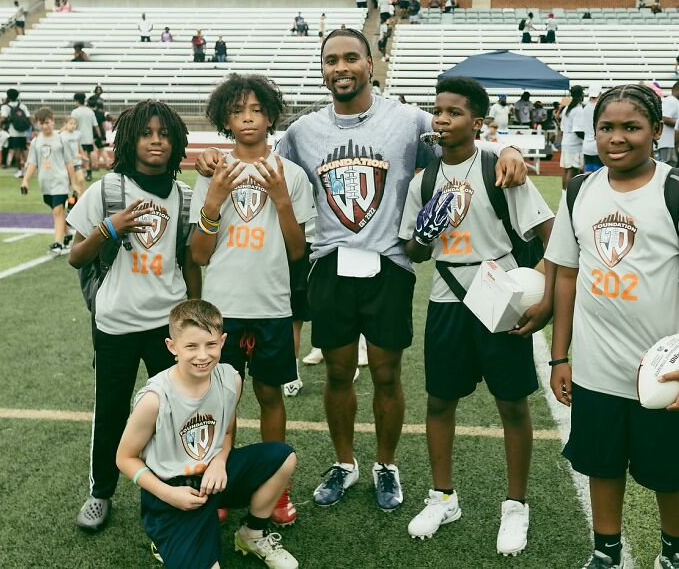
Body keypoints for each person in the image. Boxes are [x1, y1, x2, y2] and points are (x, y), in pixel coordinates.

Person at [193, 28, 528, 512]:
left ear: (371, 63)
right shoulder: (303, 132)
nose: (341, 68)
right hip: (328, 266)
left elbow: (462, 148)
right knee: (337, 373)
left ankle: (385, 464)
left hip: (389, 264)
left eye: (351, 58)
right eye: (331, 60)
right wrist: (210, 159)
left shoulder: (409, 119)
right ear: (323, 68)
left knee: (388, 375)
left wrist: (510, 148)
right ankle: (344, 462)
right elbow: (259, 162)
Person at [546, 83, 679, 569]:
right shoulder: (580, 189)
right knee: (601, 464)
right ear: (593, 132)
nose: (616, 138)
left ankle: (675, 553)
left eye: (631, 127)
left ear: (656, 130)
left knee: (671, 472)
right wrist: (560, 355)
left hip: (664, 368)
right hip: (596, 368)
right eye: (607, 127)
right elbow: (565, 274)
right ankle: (606, 551)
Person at [400, 76, 555, 557]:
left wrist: (544, 296)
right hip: (447, 295)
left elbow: (550, 233)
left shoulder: (499, 168)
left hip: (499, 292)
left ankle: (516, 505)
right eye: (437, 111)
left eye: (455, 112)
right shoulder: (423, 179)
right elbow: (414, 250)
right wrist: (426, 231)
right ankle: (443, 497)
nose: (442, 119)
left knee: (512, 403)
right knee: (440, 400)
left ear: (478, 121)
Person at [68, 100, 201, 532]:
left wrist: (194, 320)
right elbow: (75, 257)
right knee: (111, 411)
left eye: (164, 134)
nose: (156, 141)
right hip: (116, 323)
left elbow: (189, 261)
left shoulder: (183, 196)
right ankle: (100, 492)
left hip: (168, 327)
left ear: (176, 141)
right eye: (146, 133)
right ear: (130, 140)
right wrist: (111, 227)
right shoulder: (108, 190)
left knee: (173, 412)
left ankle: (174, 486)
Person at [191, 74, 315, 526]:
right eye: (238, 109)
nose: (248, 117)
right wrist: (214, 199)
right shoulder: (213, 171)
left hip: (271, 308)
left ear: (270, 115)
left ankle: (275, 490)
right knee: (222, 402)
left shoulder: (292, 174)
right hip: (221, 310)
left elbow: (298, 250)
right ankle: (219, 485)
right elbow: (200, 254)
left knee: (269, 395)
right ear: (225, 117)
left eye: (257, 109)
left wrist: (281, 198)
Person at [115, 299, 299, 569]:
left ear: (223, 341)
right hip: (173, 492)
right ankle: (168, 536)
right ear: (172, 347)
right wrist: (168, 494)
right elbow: (125, 458)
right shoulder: (155, 398)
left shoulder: (230, 379)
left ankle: (252, 534)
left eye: (211, 344)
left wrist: (220, 461)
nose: (203, 355)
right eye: (191, 346)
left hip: (214, 476)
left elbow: (225, 429)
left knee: (283, 457)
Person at [20, 108, 77, 254]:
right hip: (45, 183)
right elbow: (33, 163)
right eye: (41, 123)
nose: (45, 126)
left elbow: (69, 163)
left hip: (60, 181)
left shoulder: (61, 139)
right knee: (56, 211)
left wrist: (74, 183)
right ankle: (68, 235)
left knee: (58, 211)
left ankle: (58, 243)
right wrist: (25, 180)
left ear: (52, 120)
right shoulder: (36, 142)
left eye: (47, 122)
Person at [0, 88, 31, 178]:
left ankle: (19, 171)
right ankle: (27, 169)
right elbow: (28, 117)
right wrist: (32, 129)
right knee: (24, 151)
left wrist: (0, 125)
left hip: (13, 132)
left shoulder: (5, 107)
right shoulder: (22, 106)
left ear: (8, 96)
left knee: (16, 151)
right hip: (23, 132)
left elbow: (4, 118)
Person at [560, 85, 585, 188]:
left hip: (565, 141)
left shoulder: (567, 108)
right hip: (574, 144)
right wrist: (589, 137)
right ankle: (568, 196)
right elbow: (578, 130)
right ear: (581, 95)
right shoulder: (578, 109)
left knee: (566, 170)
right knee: (572, 170)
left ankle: (564, 194)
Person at [658, 81, 679, 166]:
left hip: (671, 143)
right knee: (667, 168)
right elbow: (664, 118)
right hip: (667, 142)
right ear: (676, 90)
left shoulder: (675, 102)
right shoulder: (670, 101)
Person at [71, 92, 99, 180]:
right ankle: (89, 173)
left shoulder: (75, 112)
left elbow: (72, 124)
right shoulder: (90, 111)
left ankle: (80, 173)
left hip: (78, 137)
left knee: (79, 156)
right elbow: (95, 125)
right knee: (89, 155)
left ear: (77, 101)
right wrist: (99, 136)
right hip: (89, 137)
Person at [60, 115, 86, 200]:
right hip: (67, 163)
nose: (73, 125)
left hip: (77, 162)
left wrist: (83, 156)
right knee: (69, 182)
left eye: (75, 124)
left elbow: (79, 146)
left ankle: (82, 198)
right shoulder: (62, 135)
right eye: (71, 123)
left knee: (81, 179)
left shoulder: (78, 134)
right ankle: (68, 199)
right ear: (65, 124)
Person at [579, 85, 602, 172]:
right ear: (599, 94)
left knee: (588, 173)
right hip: (597, 144)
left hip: (586, 145)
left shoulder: (585, 108)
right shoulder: (600, 108)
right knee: (598, 172)